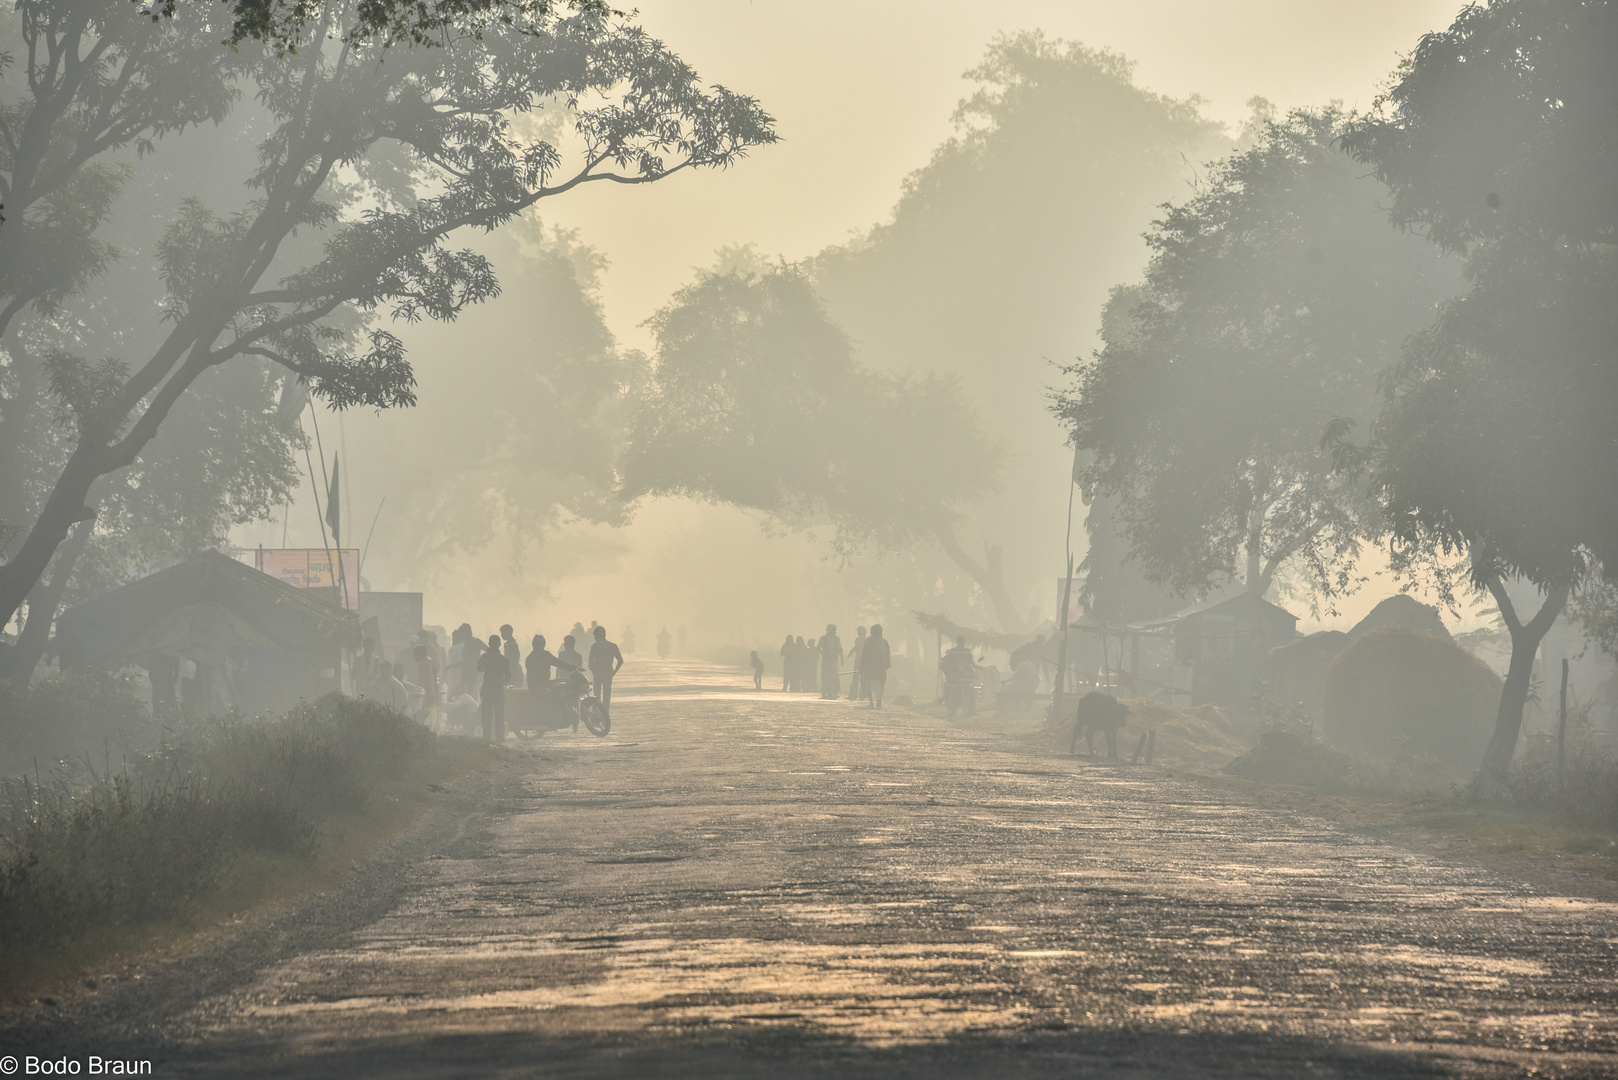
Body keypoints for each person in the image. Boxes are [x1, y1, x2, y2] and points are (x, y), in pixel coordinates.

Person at [477, 633, 510, 741]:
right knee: (487, 717)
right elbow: (480, 668)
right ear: (489, 644)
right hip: (487, 691)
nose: (494, 646)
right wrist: (488, 658)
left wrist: (503, 682)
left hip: (498, 691)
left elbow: (509, 675)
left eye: (496, 644)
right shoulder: (485, 657)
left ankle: (499, 739)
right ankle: (486, 738)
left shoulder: (503, 659)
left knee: (499, 717)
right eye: (492, 644)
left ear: (499, 644)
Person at [589, 625, 625, 710]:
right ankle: (605, 714)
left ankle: (597, 712)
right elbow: (620, 661)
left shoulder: (595, 646)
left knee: (596, 695)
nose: (594, 637)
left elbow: (591, 663)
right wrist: (613, 673)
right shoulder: (613, 646)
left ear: (598, 635)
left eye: (595, 635)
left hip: (597, 673)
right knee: (607, 696)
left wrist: (594, 672)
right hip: (608, 673)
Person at [860, 623, 892, 709]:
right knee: (868, 684)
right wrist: (861, 665)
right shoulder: (868, 641)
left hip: (880, 667)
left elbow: (887, 655)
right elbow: (864, 654)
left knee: (880, 684)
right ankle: (871, 701)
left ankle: (879, 700)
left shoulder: (884, 643)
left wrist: (887, 665)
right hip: (869, 667)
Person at [412, 642, 440, 722]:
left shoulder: (427, 663)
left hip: (427, 695)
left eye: (416, 654)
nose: (415, 656)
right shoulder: (424, 662)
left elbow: (430, 681)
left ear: (421, 653)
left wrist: (429, 696)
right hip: (425, 694)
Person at [819, 625, 843, 699]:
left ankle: (831, 693)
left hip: (834, 661)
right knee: (825, 678)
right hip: (826, 661)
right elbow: (818, 648)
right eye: (832, 630)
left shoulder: (837, 639)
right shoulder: (823, 638)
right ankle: (824, 693)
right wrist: (823, 653)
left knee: (833, 678)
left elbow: (840, 649)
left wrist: (842, 659)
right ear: (828, 630)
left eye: (834, 630)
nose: (834, 631)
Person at [500, 624, 524, 689]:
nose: (501, 635)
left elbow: (516, 656)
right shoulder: (506, 644)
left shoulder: (513, 644)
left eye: (502, 633)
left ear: (508, 633)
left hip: (513, 669)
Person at [848, 626, 867, 702]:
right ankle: (861, 695)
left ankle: (853, 695)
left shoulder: (859, 639)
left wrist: (851, 651)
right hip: (865, 662)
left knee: (855, 678)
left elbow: (856, 646)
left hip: (859, 661)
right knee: (863, 679)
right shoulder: (868, 639)